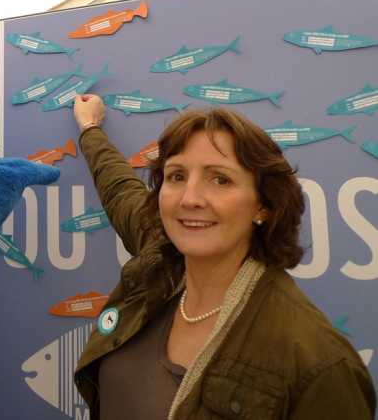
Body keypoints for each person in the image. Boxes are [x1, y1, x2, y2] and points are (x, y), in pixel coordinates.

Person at [71, 94, 375, 420]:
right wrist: (90, 128)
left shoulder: (319, 365)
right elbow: (119, 188)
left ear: (263, 205)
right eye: (177, 176)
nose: (190, 198)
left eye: (220, 179)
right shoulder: (159, 258)